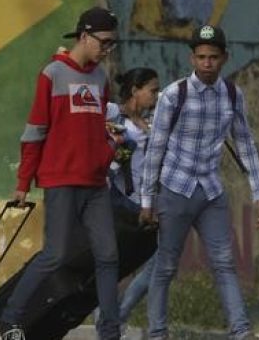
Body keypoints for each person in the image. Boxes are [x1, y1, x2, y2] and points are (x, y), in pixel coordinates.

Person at [138, 24, 259, 340]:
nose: (207, 63)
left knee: (224, 263)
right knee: (166, 266)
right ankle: (157, 333)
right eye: (201, 57)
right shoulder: (174, 95)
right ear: (192, 58)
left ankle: (241, 331)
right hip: (174, 190)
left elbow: (246, 143)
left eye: (213, 57)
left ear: (224, 58)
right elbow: (154, 148)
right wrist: (147, 200)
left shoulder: (233, 95)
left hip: (210, 192)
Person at [0, 6, 122, 340]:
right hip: (61, 180)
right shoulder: (52, 74)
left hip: (96, 183)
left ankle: (110, 331)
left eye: (112, 43)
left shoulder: (100, 77)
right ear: (84, 36)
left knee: (109, 256)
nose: (108, 49)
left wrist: (107, 151)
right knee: (55, 255)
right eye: (104, 42)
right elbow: (35, 131)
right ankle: (10, 319)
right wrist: (23, 183)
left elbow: (99, 128)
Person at [106, 67, 160, 324]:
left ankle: (117, 315)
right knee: (113, 267)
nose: (157, 96)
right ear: (135, 90)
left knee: (158, 263)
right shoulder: (115, 116)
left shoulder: (152, 122)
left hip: (146, 200)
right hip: (123, 202)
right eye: (153, 90)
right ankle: (107, 319)